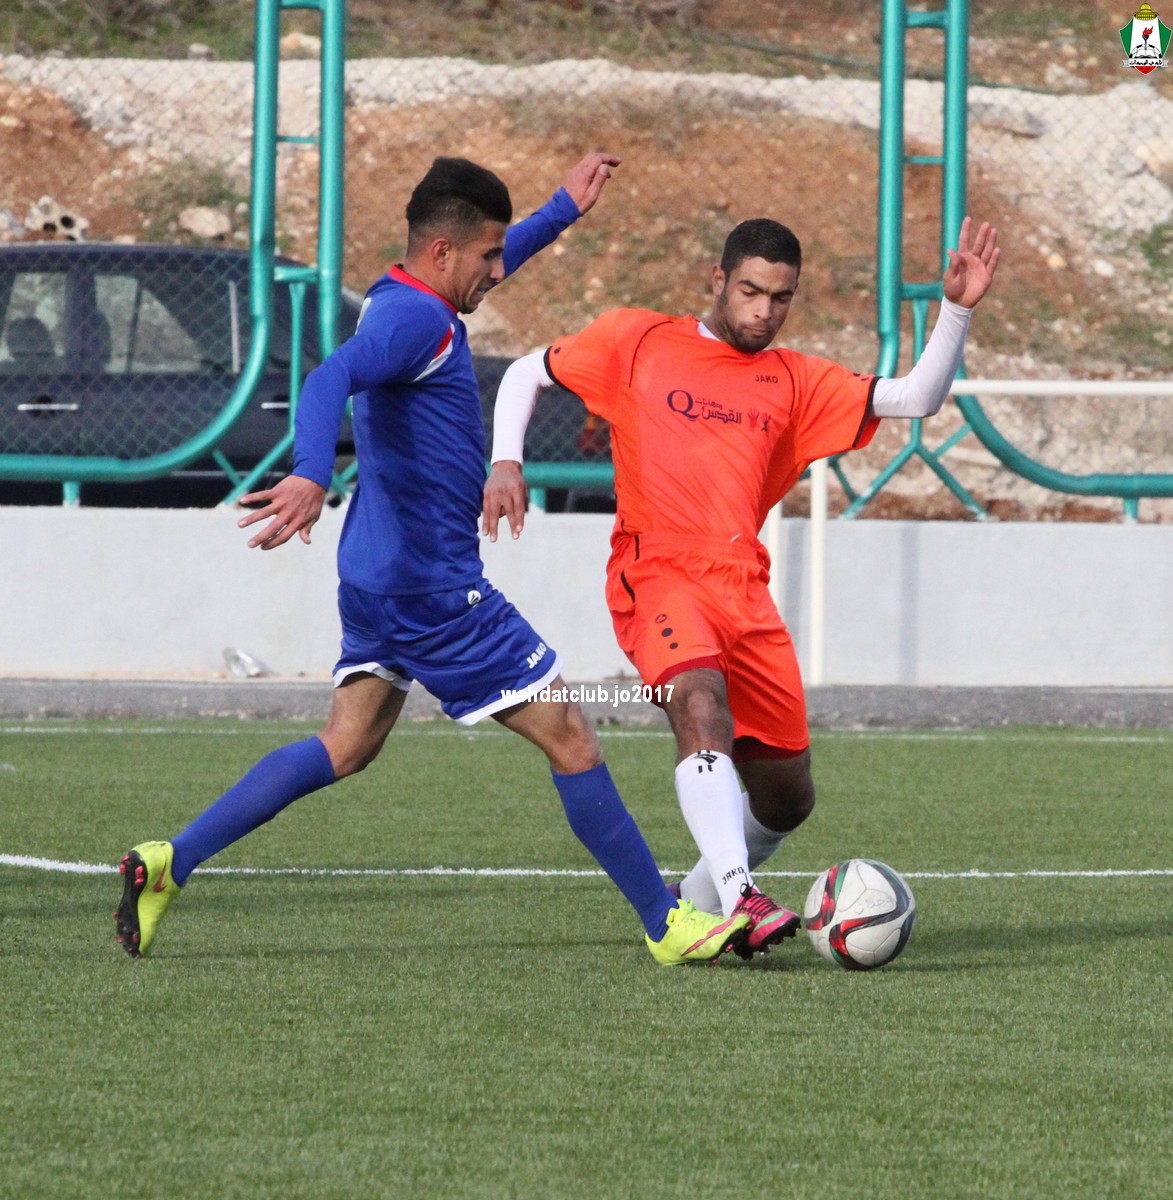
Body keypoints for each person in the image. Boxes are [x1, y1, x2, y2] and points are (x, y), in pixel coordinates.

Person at [115, 153, 750, 967]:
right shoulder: (418, 323)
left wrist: (561, 210)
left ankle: (170, 862)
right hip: (432, 591)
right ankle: (666, 923)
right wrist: (310, 471)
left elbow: (477, 265)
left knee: (345, 745)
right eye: (487, 255)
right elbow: (329, 377)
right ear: (444, 252)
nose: (499, 270)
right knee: (571, 736)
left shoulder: (402, 296)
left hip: (374, 579)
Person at [484, 214, 1001, 957]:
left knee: (787, 797)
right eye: (751, 291)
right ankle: (741, 896)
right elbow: (526, 372)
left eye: (780, 298)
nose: (764, 310)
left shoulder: (795, 380)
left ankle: (690, 905)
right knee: (699, 703)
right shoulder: (638, 341)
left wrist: (955, 309)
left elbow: (917, 397)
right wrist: (506, 461)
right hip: (657, 569)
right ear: (718, 280)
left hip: (743, 587)